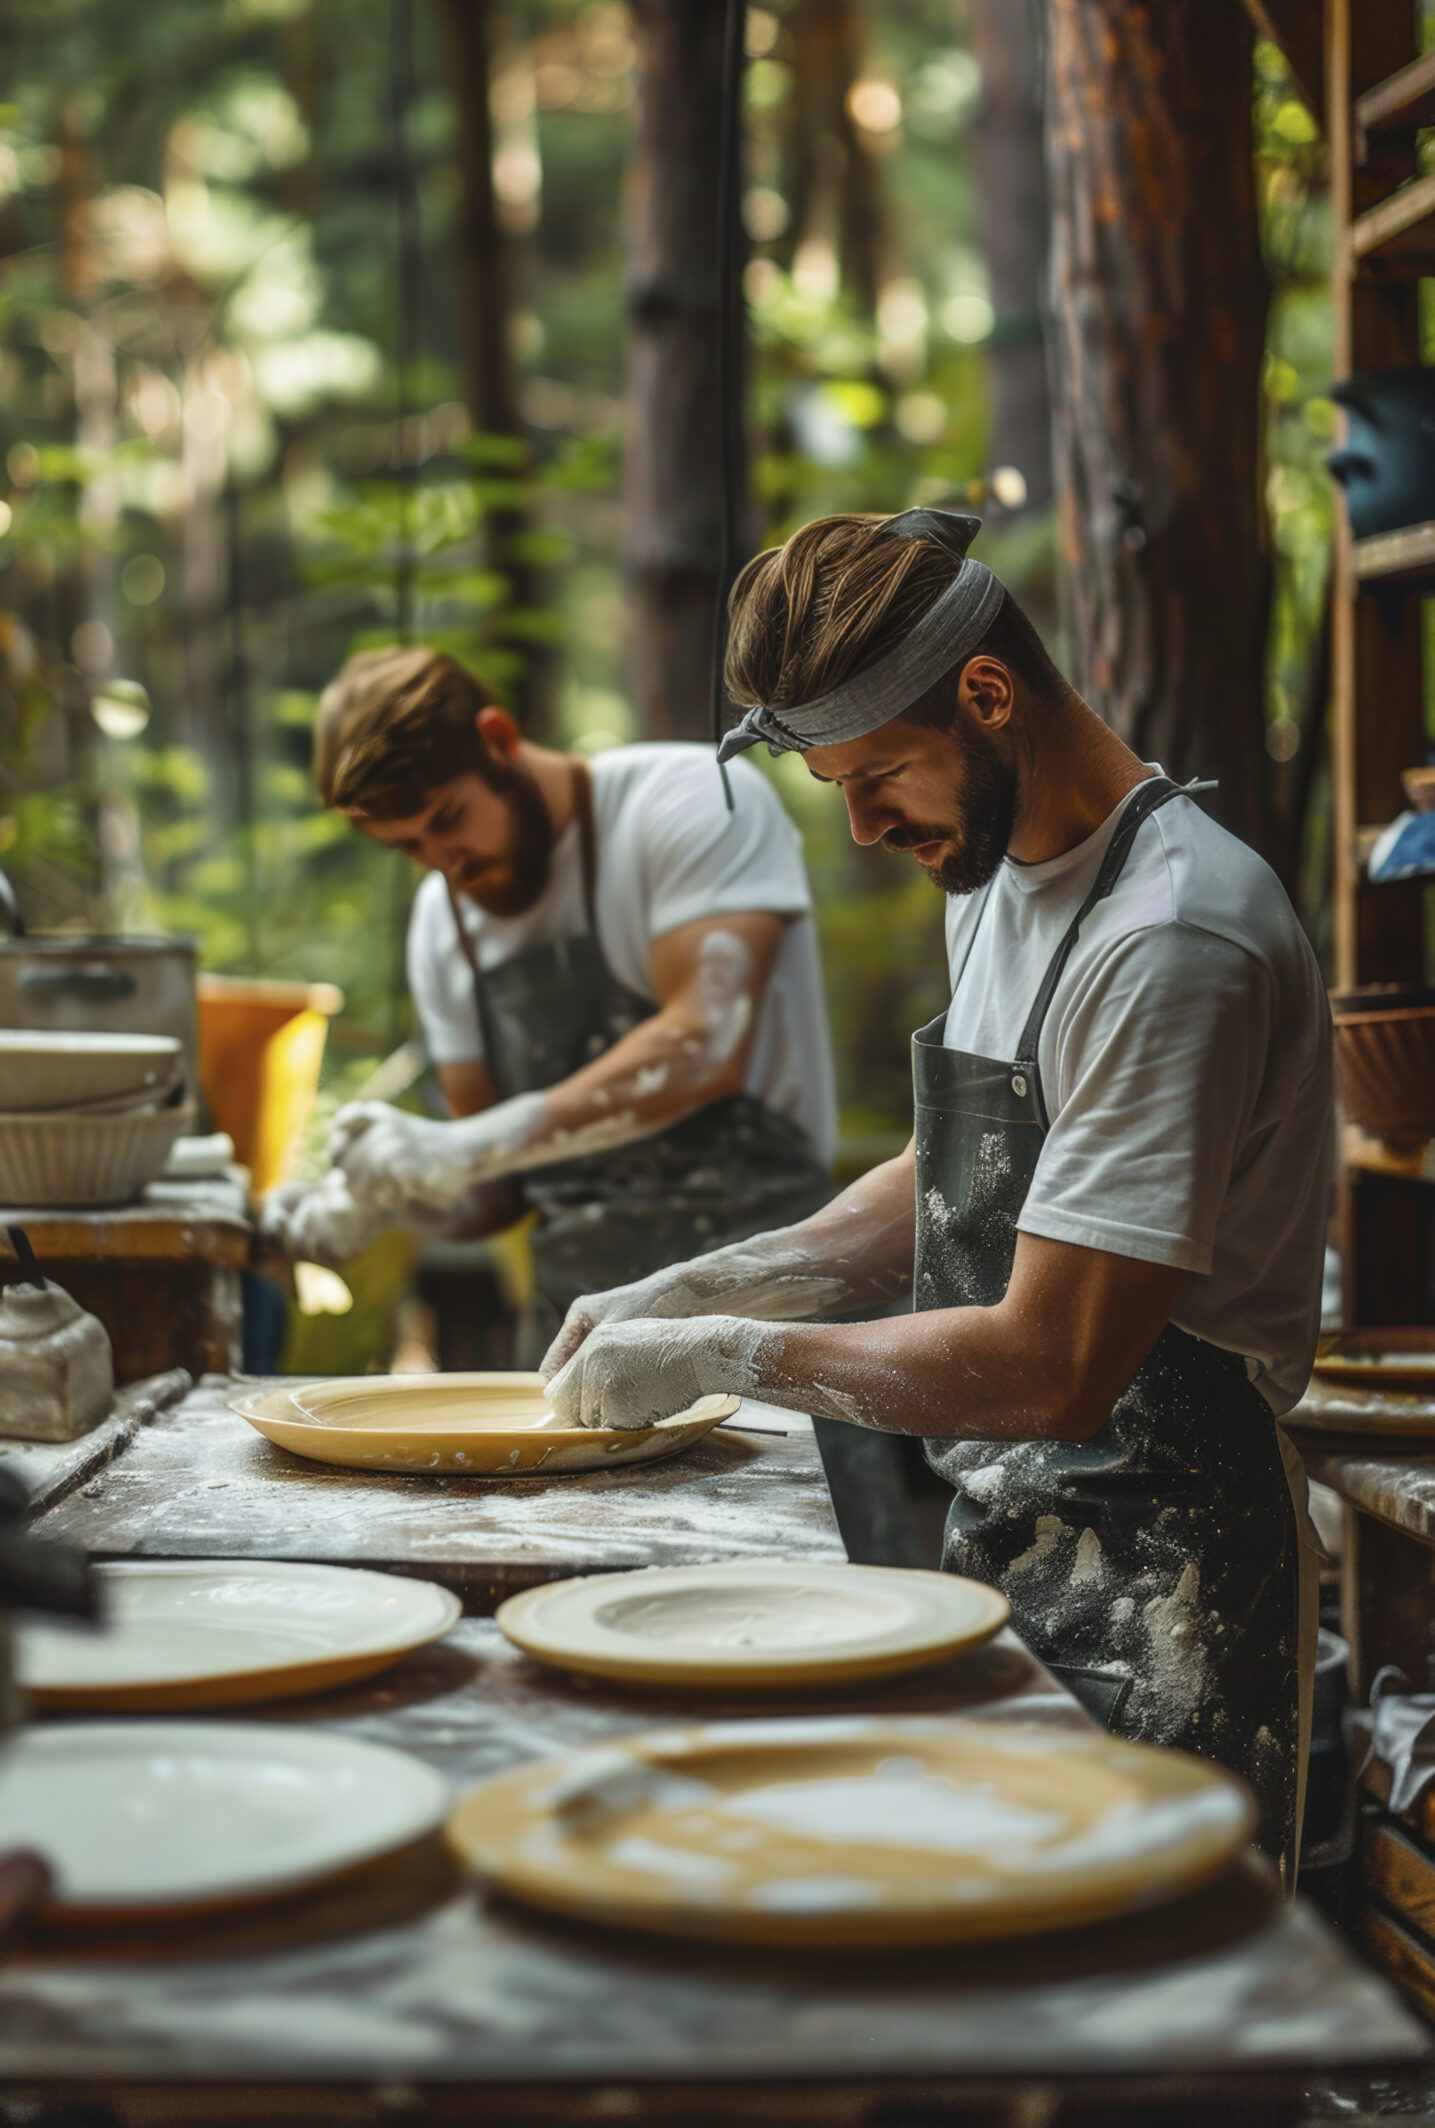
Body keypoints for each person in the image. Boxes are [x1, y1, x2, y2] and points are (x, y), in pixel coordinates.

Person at [541, 507, 1334, 1883]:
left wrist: (731, 1357)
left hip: (1169, 1583)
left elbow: (1048, 1369)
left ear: (986, 695)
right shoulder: (990, 867)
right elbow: (954, 1176)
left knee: (1135, 2030)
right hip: (1002, 1537)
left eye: (876, 779)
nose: (858, 829)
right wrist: (707, 1280)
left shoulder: (1170, 940)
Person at [264, 646, 838, 1337]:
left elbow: (701, 1047)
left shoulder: (692, 799)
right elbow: (493, 1195)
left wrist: (463, 1146)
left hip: (768, 1311)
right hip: (576, 1329)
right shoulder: (442, 926)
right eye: (408, 848)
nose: (446, 867)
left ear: (499, 740)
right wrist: (385, 1201)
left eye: (448, 819)